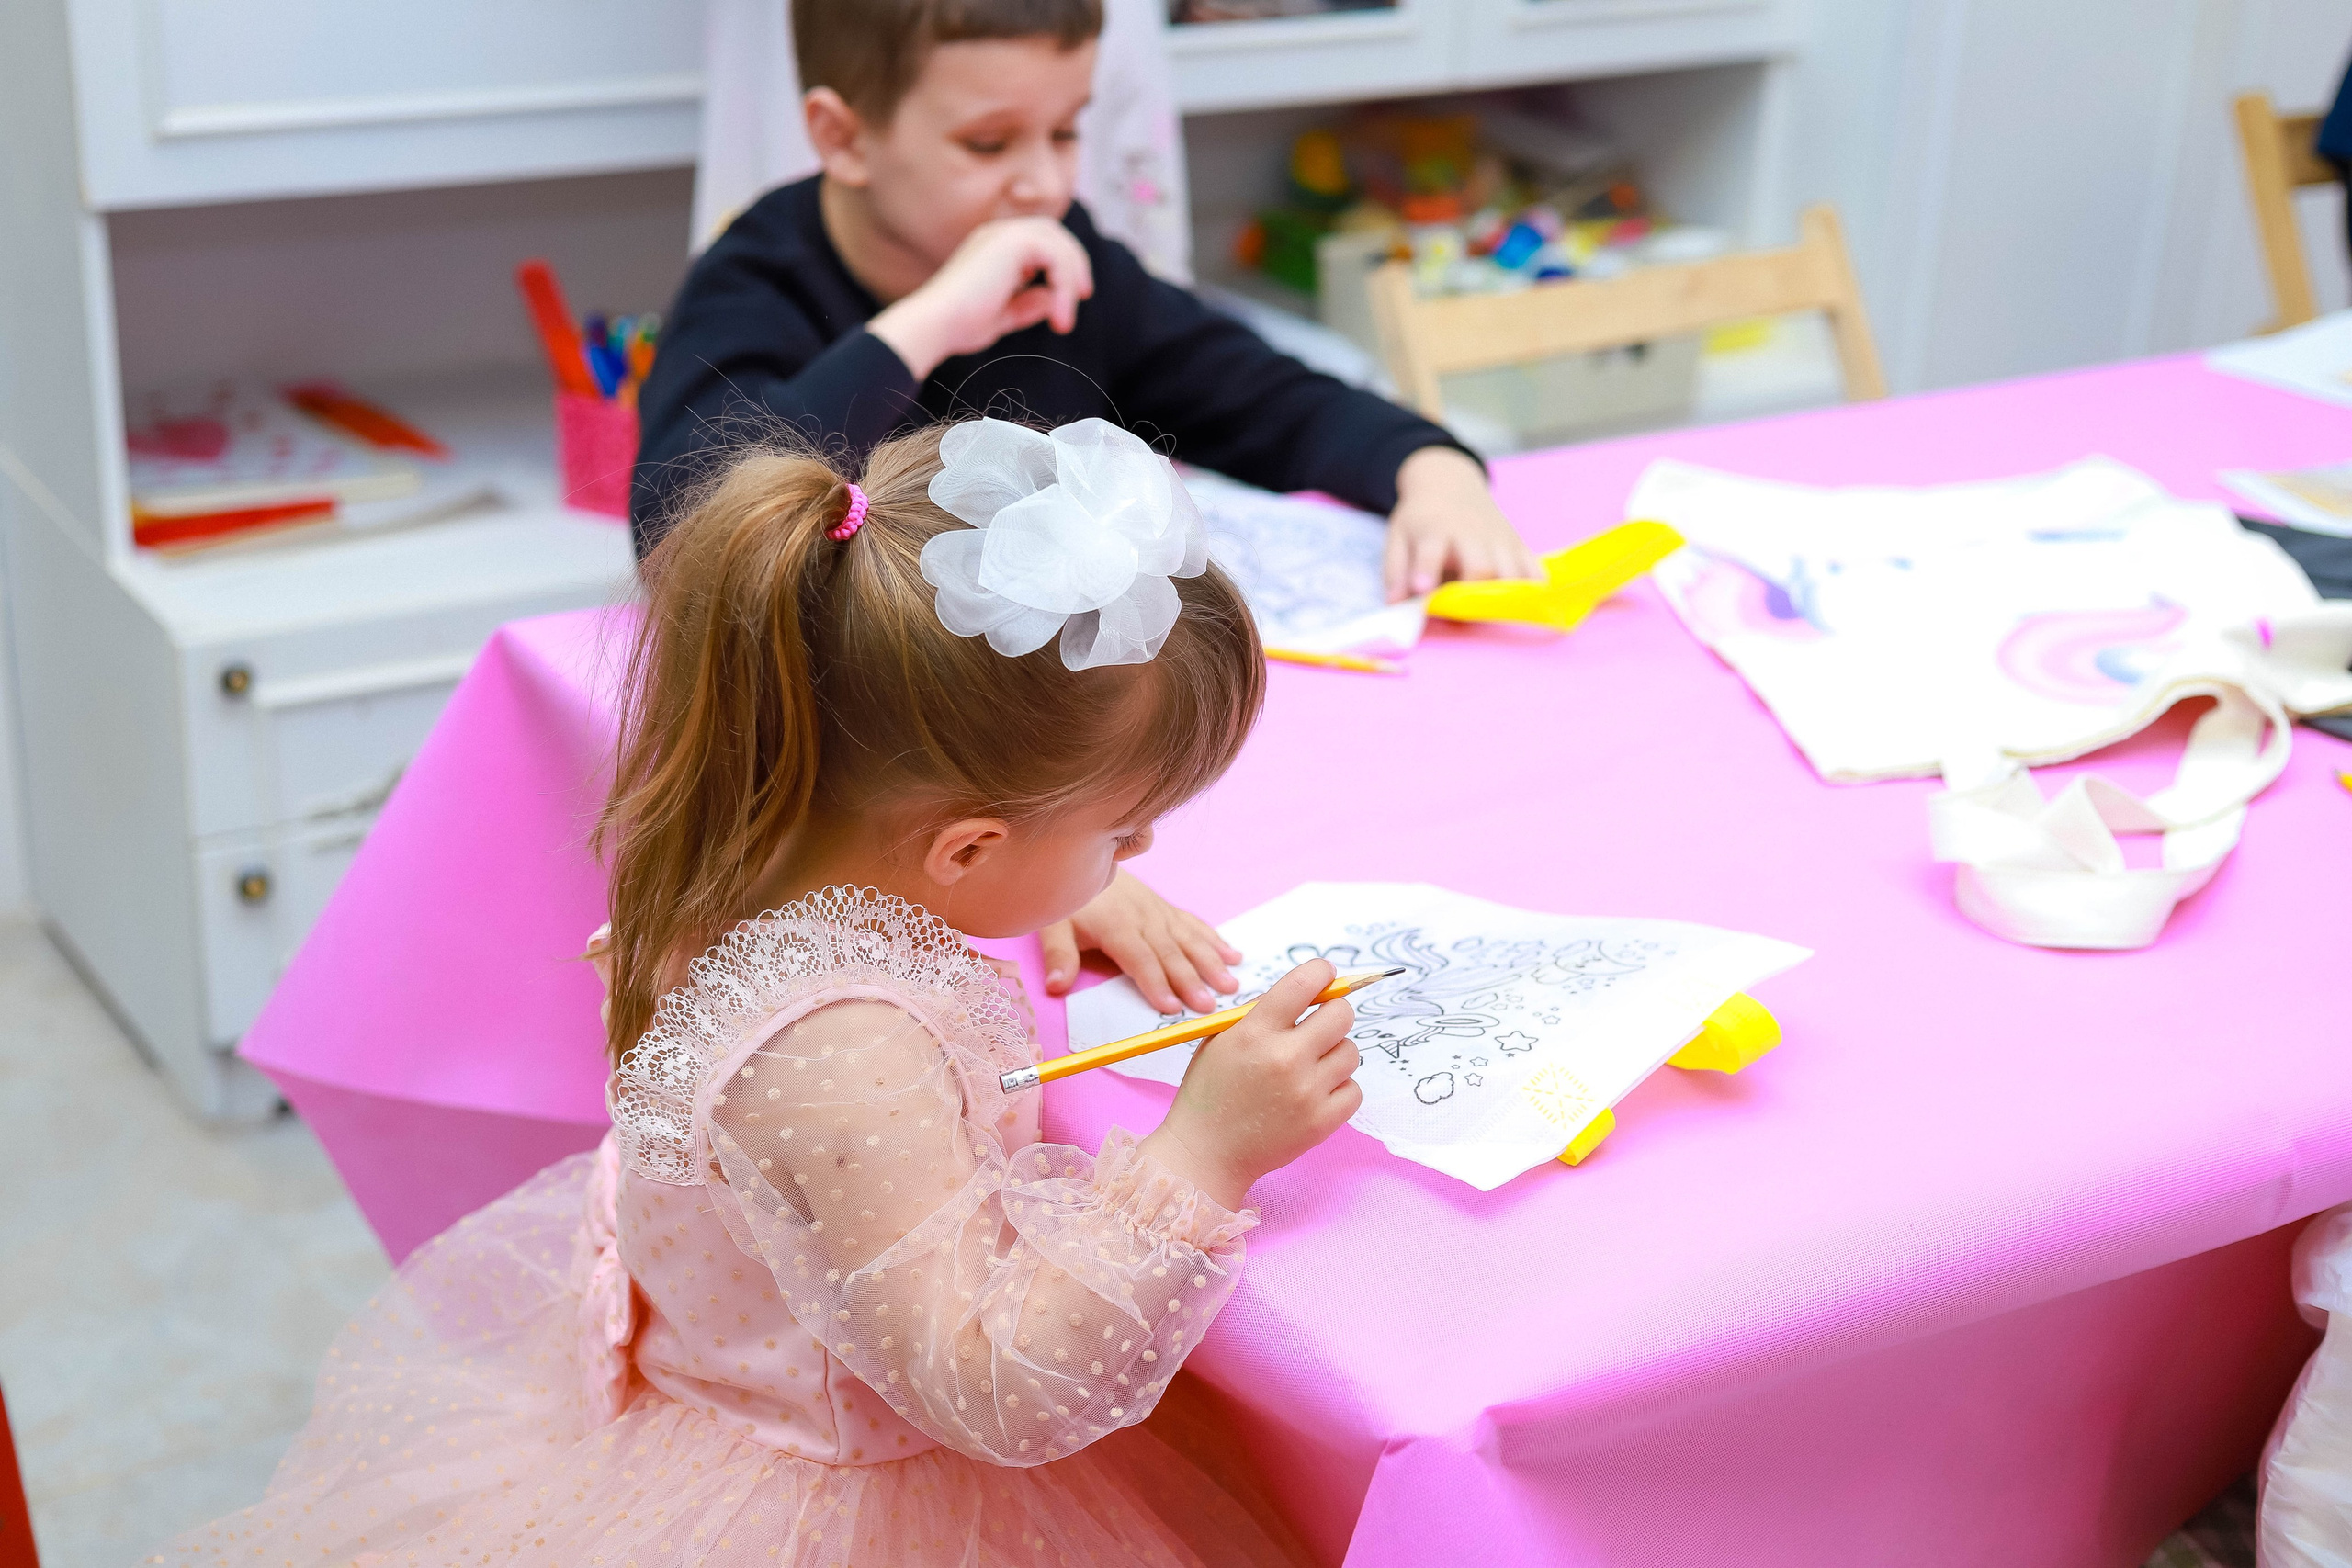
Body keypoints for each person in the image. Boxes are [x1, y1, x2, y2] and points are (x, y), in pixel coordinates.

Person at [153, 417, 1361, 1566]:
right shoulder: (846, 1051)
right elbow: (993, 1381)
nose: (1142, 853)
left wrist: (1060, 878)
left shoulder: (762, 835)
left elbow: (972, 869)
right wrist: (1203, 1151)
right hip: (846, 1493)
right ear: (965, 845)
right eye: (1125, 829)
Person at [631, 0, 1539, 605]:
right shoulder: (756, 276)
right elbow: (686, 525)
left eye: (1065, 131)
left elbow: (1267, 399)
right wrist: (930, 323)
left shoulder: (1072, 261)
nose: (1043, 183)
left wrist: (1432, 470)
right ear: (842, 137)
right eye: (988, 144)